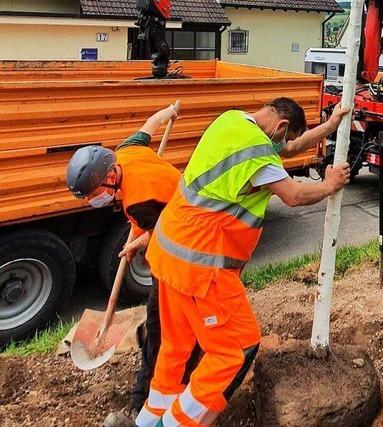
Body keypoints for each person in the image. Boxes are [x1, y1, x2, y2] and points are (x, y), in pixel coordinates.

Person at [134, 98, 351, 426]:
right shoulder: (259, 154)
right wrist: (329, 184)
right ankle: (175, 423)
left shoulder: (232, 122)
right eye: (283, 137)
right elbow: (292, 195)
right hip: (201, 264)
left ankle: (148, 419)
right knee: (236, 347)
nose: (283, 145)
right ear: (279, 127)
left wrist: (330, 126)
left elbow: (285, 150)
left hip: (168, 254)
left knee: (176, 346)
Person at [65, 105, 199, 426]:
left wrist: (138, 241)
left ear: (110, 176)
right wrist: (170, 111)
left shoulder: (138, 200)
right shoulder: (126, 150)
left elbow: (163, 230)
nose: (93, 201)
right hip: (171, 210)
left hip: (188, 238)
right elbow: (151, 123)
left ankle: (151, 393)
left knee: (158, 321)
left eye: (95, 194)